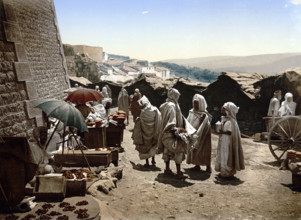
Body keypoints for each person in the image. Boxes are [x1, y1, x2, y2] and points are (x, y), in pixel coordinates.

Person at [157, 88, 196, 179]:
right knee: (178, 150)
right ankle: (178, 172)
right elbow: (172, 120)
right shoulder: (172, 106)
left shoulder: (166, 105)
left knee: (167, 151)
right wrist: (177, 129)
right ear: (174, 95)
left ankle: (167, 169)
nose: (178, 97)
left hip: (165, 132)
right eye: (177, 96)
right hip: (173, 132)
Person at [215, 102, 245, 178]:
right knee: (223, 155)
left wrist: (222, 132)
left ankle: (227, 172)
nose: (222, 111)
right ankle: (223, 171)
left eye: (223, 110)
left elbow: (229, 132)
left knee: (227, 156)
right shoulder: (224, 119)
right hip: (224, 141)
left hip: (228, 142)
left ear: (228, 111)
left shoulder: (232, 122)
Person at [132, 96, 162, 167]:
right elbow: (159, 119)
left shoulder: (143, 112)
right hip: (153, 131)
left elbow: (141, 122)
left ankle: (147, 162)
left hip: (145, 133)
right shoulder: (155, 109)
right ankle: (153, 159)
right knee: (153, 144)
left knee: (145, 146)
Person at [186, 94, 212, 173]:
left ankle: (208, 166)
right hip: (193, 134)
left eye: (197, 103)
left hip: (203, 134)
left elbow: (204, 125)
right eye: (194, 103)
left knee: (205, 149)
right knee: (194, 149)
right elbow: (187, 121)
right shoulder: (191, 112)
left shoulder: (204, 114)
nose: (195, 105)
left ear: (201, 104)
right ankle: (197, 165)